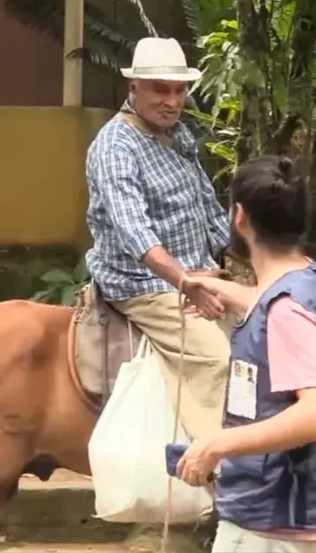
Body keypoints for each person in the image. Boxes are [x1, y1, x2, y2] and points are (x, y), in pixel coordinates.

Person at [175, 156, 316, 553]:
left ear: (239, 217)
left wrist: (216, 445)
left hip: (273, 520)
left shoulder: (288, 310)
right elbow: (275, 303)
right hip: (301, 508)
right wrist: (221, 289)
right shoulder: (311, 278)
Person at [84, 36, 232, 439]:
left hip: (198, 273)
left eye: (180, 90)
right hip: (143, 284)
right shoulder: (115, 146)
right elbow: (135, 231)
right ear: (134, 88)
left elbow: (209, 208)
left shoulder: (177, 135)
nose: (172, 101)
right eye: (160, 90)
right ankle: (213, 463)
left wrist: (242, 263)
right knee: (215, 356)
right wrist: (186, 281)